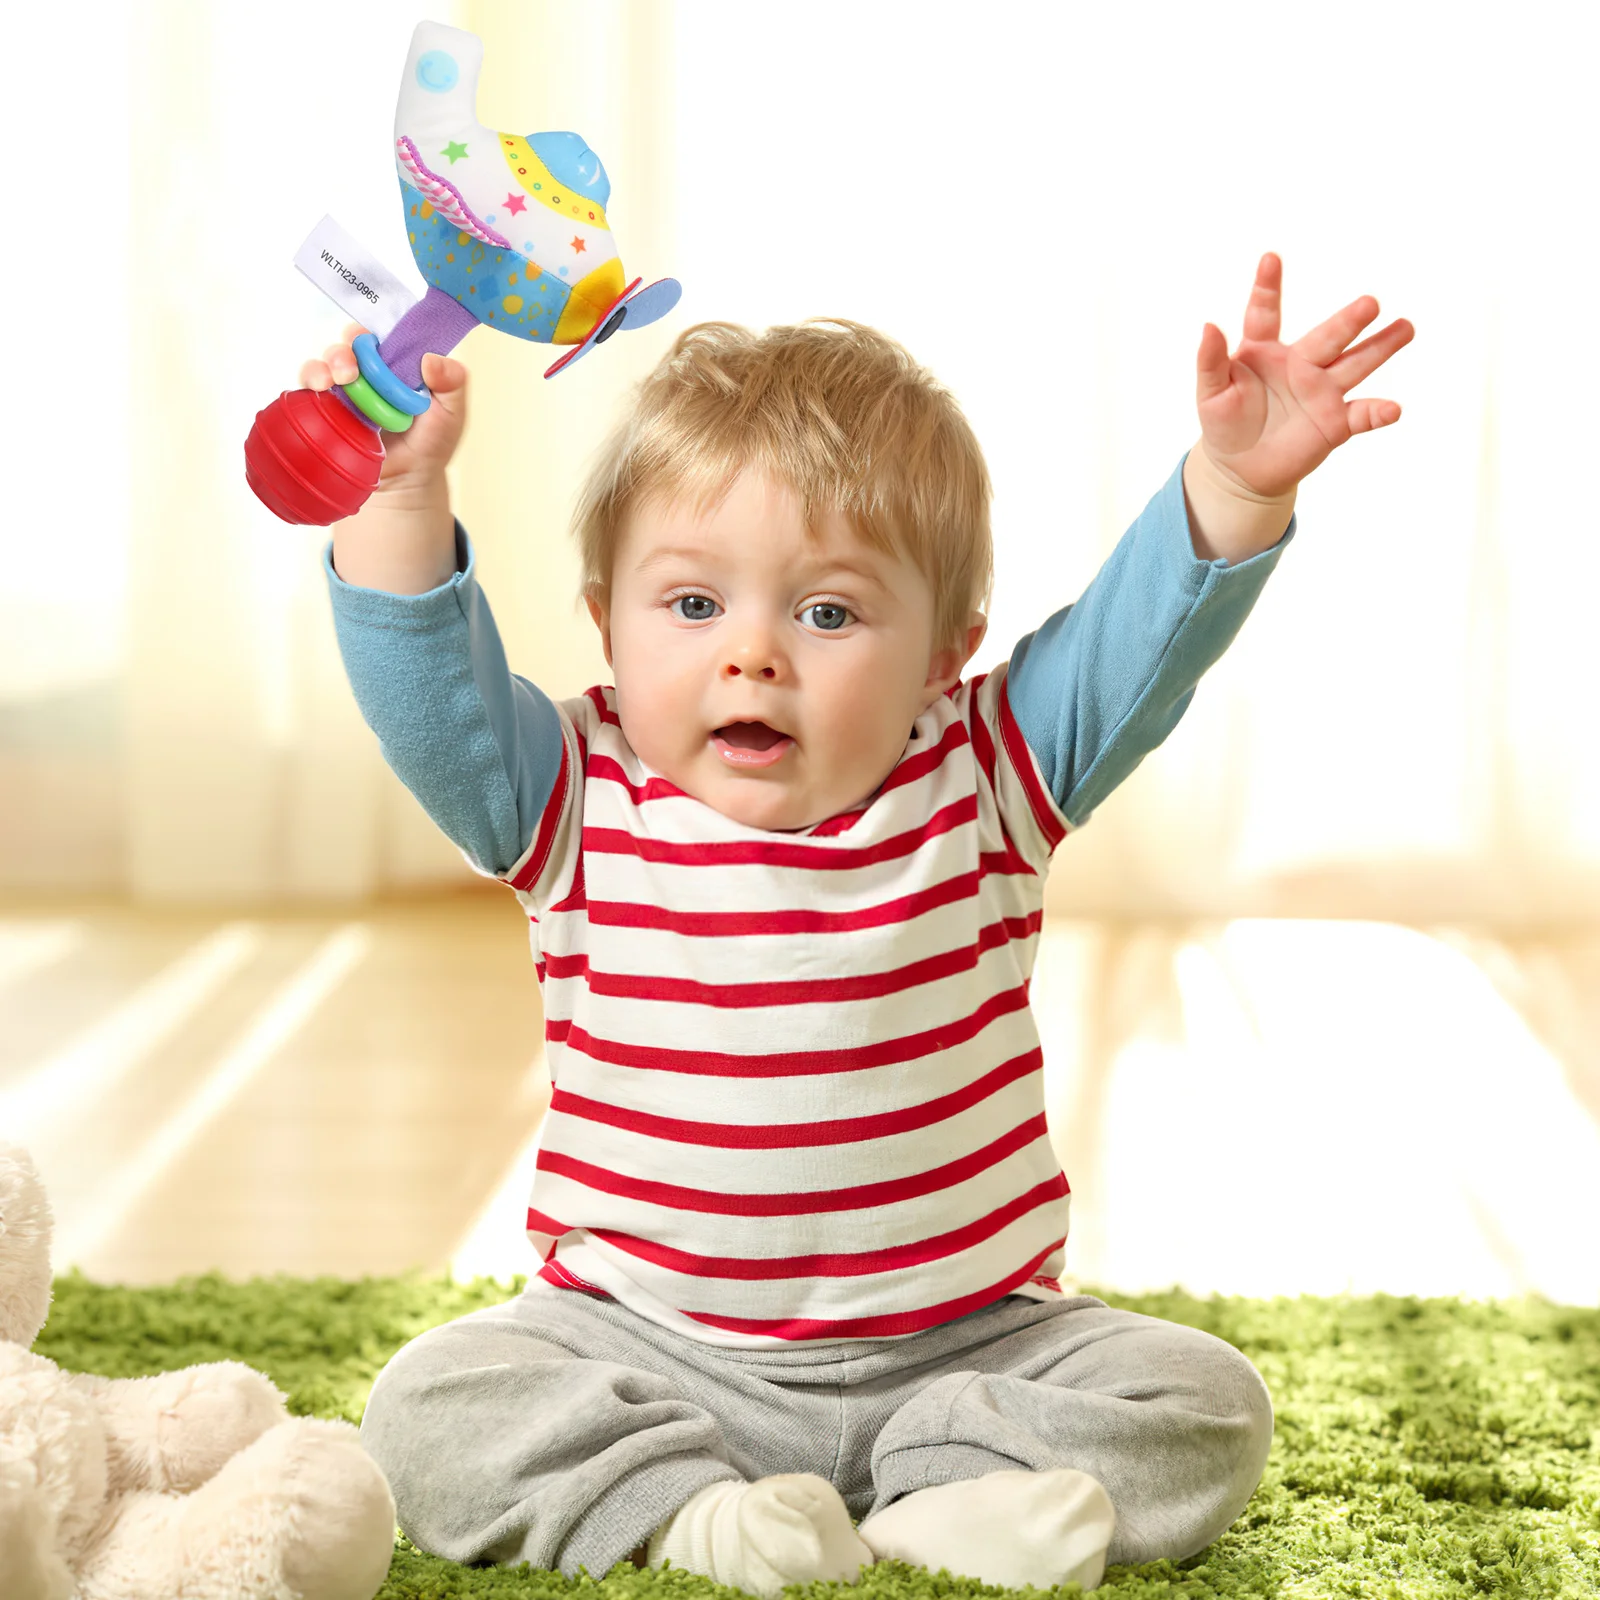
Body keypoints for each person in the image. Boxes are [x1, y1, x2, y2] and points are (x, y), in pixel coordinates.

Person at [311, 252, 1412, 1595]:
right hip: (655, 1355)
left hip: (974, 1353)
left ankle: (953, 1496)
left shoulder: (990, 770)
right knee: (428, 1401)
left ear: (946, 651)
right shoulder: (578, 794)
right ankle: (689, 1516)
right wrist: (395, 494)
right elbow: (431, 694)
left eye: (828, 611)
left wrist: (1235, 488)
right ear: (609, 624)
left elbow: (1139, 646)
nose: (752, 652)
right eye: (694, 603)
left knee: (1205, 1399)